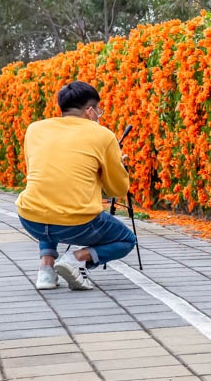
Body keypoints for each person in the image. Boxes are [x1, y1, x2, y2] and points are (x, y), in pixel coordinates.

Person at [16, 80, 136, 290]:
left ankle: (46, 270)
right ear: (90, 111)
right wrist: (118, 165)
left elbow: (44, 174)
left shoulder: (34, 129)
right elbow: (117, 190)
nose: (98, 114)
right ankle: (77, 258)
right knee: (126, 240)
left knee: (49, 198)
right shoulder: (103, 135)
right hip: (76, 224)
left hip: (30, 217)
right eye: (98, 110)